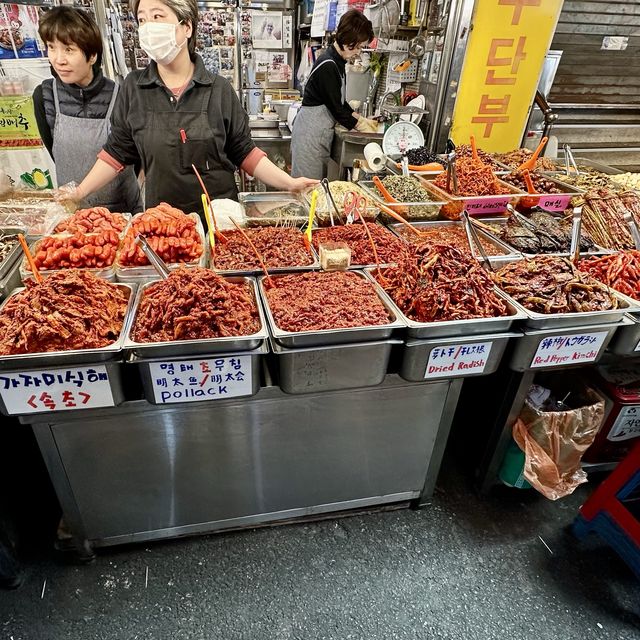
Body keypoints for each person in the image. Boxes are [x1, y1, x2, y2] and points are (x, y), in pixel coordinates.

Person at [67, 0, 316, 215]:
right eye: (142, 20)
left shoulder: (218, 89)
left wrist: (289, 183)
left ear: (186, 27)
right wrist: (79, 191)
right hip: (163, 222)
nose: (148, 27)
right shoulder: (134, 88)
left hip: (219, 219)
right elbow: (116, 153)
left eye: (157, 16)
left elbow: (245, 152)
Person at [33, 7, 142, 213]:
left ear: (92, 55)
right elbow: (55, 151)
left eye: (69, 49)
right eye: (51, 47)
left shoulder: (122, 95)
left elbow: (131, 156)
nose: (59, 59)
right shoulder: (45, 96)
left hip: (122, 211)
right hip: (74, 213)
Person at [291, 9, 378, 180]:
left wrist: (361, 119)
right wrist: (361, 126)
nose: (359, 52)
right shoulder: (328, 65)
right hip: (309, 137)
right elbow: (337, 109)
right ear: (348, 40)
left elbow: (339, 101)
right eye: (359, 46)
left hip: (317, 136)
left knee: (315, 188)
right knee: (306, 190)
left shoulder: (337, 61)